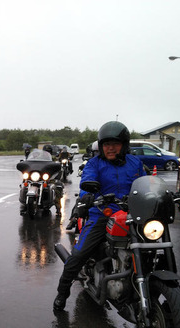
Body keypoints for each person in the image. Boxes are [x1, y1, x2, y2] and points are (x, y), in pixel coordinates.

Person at [53, 121, 146, 311]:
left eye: (115, 143)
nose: (111, 148)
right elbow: (87, 179)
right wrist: (88, 194)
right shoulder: (95, 163)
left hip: (130, 214)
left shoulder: (135, 163)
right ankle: (62, 293)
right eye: (106, 144)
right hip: (103, 213)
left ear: (124, 145)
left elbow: (144, 183)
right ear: (101, 146)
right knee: (79, 254)